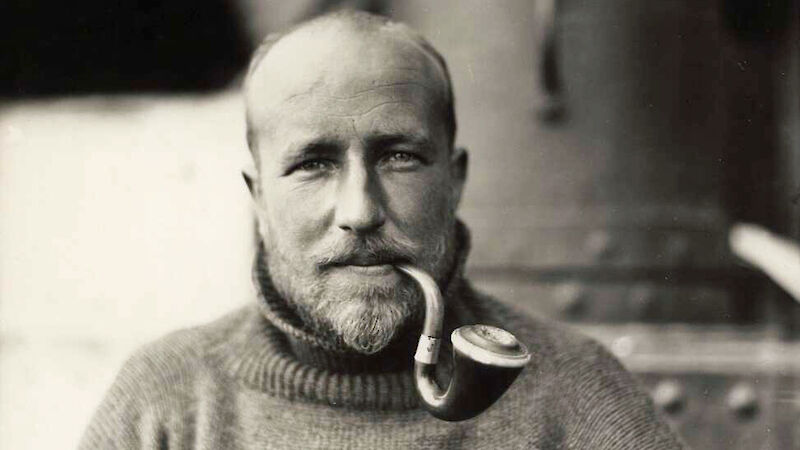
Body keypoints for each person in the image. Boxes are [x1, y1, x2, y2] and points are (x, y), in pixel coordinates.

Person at [80, 11, 684, 449]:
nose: (360, 211)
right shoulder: (165, 401)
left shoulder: (578, 396)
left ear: (455, 181)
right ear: (258, 199)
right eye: (313, 164)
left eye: (398, 156)